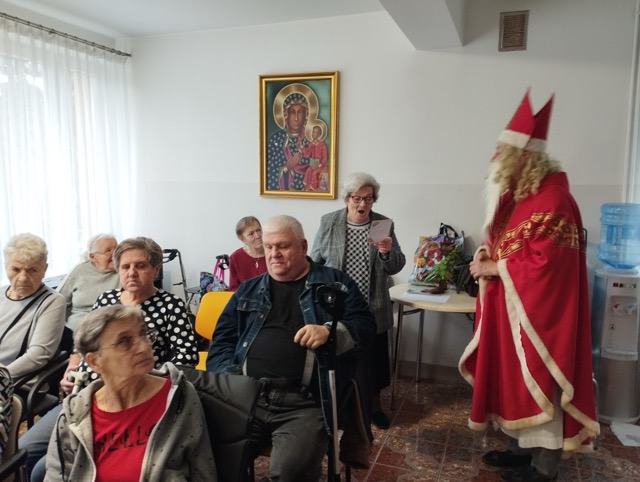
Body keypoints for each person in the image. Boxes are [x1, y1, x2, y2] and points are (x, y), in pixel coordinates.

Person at [458, 91, 600, 482]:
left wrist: (494, 266)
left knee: (543, 383)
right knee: (515, 384)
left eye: (501, 154)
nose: (494, 160)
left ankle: (544, 468)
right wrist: (486, 254)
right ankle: (519, 450)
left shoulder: (554, 199)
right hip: (513, 317)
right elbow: (505, 245)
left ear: (524, 159)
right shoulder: (518, 199)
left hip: (541, 322)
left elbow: (547, 265)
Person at [207, 215, 376, 481]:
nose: (273, 254)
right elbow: (221, 343)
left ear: (303, 246)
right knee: (210, 462)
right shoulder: (248, 290)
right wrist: (233, 380)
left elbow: (366, 327)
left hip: (305, 402)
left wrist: (331, 331)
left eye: (283, 246)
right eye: (268, 246)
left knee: (290, 474)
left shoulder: (335, 285)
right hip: (247, 397)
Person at [22, 236, 199, 481]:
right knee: (25, 450)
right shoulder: (106, 300)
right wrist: (73, 365)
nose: (132, 273)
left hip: (131, 398)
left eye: (141, 266)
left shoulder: (170, 305)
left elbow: (187, 356)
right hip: (83, 395)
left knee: (46, 468)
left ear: (156, 269)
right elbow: (87, 345)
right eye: (125, 266)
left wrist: (147, 376)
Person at [44, 304, 216, 481]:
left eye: (143, 334)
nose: (144, 347)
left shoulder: (178, 398)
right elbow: (57, 476)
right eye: (125, 341)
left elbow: (203, 472)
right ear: (94, 361)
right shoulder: (75, 414)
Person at [310, 171, 406, 430]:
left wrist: (386, 253)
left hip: (372, 307)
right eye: (357, 198)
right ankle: (339, 405)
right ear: (346, 199)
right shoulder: (330, 222)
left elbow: (396, 265)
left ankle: (374, 407)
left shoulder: (381, 224)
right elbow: (315, 261)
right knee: (339, 357)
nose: (363, 204)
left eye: (368, 198)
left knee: (373, 361)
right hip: (337, 307)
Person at [1, 233, 66, 400]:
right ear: (5, 266)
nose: (23, 278)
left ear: (44, 269)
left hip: (19, 384)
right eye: (15, 269)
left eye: (32, 270)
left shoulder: (52, 301)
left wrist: (2, 376)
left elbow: (38, 355)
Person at [57, 233, 119, 331]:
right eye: (108, 251)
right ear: (92, 256)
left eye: (117, 249)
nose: (115, 254)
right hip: (75, 329)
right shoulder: (80, 270)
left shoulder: (124, 271)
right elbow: (57, 301)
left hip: (109, 330)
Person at [266, 92, 311, 191]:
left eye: (300, 112)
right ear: (286, 115)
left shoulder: (310, 141)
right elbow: (268, 174)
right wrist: (287, 167)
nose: (296, 118)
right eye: (292, 112)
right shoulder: (276, 140)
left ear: (306, 115)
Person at [228, 216, 267, 291]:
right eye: (251, 234)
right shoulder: (235, 257)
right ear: (242, 239)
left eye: (259, 230)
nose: (258, 236)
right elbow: (234, 288)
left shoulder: (273, 252)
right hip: (245, 297)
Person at [302, 125, 328, 192]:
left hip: (321, 166)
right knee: (308, 170)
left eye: (316, 132)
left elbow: (325, 157)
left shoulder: (322, 145)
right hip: (313, 165)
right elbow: (307, 154)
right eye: (313, 132)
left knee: (314, 173)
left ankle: (313, 188)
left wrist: (320, 164)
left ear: (319, 134)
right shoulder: (311, 144)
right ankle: (307, 186)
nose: (314, 134)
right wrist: (302, 147)